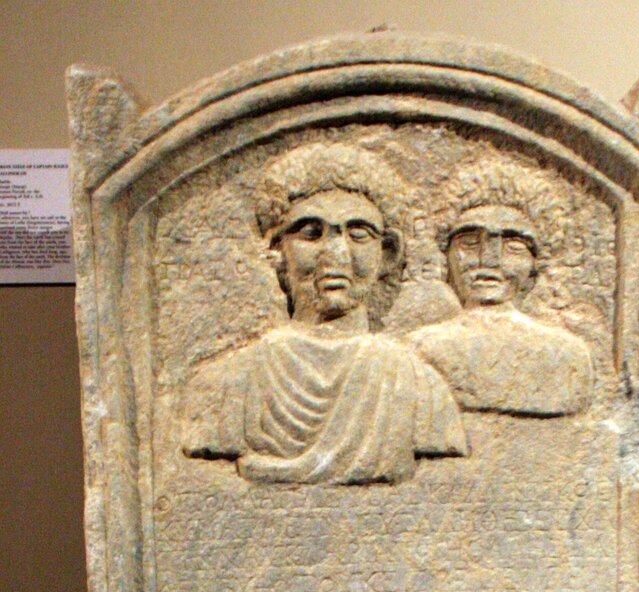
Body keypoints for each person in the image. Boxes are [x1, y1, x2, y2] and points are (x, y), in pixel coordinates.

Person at [182, 143, 467, 485]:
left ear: (388, 254)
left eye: (358, 234)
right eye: (311, 233)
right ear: (277, 251)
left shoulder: (420, 388)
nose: (336, 253)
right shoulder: (223, 385)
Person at [408, 163, 593, 416]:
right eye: (470, 242)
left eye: (513, 246)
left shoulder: (567, 355)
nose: (489, 259)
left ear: (536, 265)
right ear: (445, 257)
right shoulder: (418, 350)